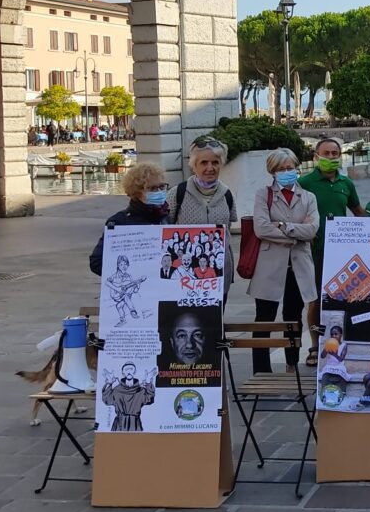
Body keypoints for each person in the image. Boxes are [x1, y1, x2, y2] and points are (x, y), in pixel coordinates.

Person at [247, 148, 320, 371]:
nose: (287, 172)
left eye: (290, 168)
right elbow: (261, 229)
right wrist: (294, 235)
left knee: (293, 316)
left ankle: (291, 364)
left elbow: (312, 230)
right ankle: (261, 369)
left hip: (298, 265)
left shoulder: (308, 197)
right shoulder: (263, 194)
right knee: (264, 317)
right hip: (269, 266)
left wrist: (284, 226)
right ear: (273, 171)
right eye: (281, 169)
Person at [298, 136, 365, 362]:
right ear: (316, 157)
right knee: (315, 300)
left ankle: (339, 344)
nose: (331, 157)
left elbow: (358, 212)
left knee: (343, 298)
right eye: (326, 153)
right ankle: (315, 347)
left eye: (335, 153)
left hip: (342, 252)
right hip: (314, 250)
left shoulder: (346, 184)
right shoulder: (305, 183)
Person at [168, 137, 236, 298]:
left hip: (218, 275)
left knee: (216, 321)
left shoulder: (227, 194)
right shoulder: (177, 193)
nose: (210, 168)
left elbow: (227, 232)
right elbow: (165, 229)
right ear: (194, 166)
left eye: (215, 162)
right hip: (185, 278)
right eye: (204, 163)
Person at [89, 163, 172, 276]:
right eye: (152, 188)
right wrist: (131, 272)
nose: (159, 192)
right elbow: (97, 262)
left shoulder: (165, 217)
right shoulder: (119, 222)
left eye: (162, 187)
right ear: (137, 192)